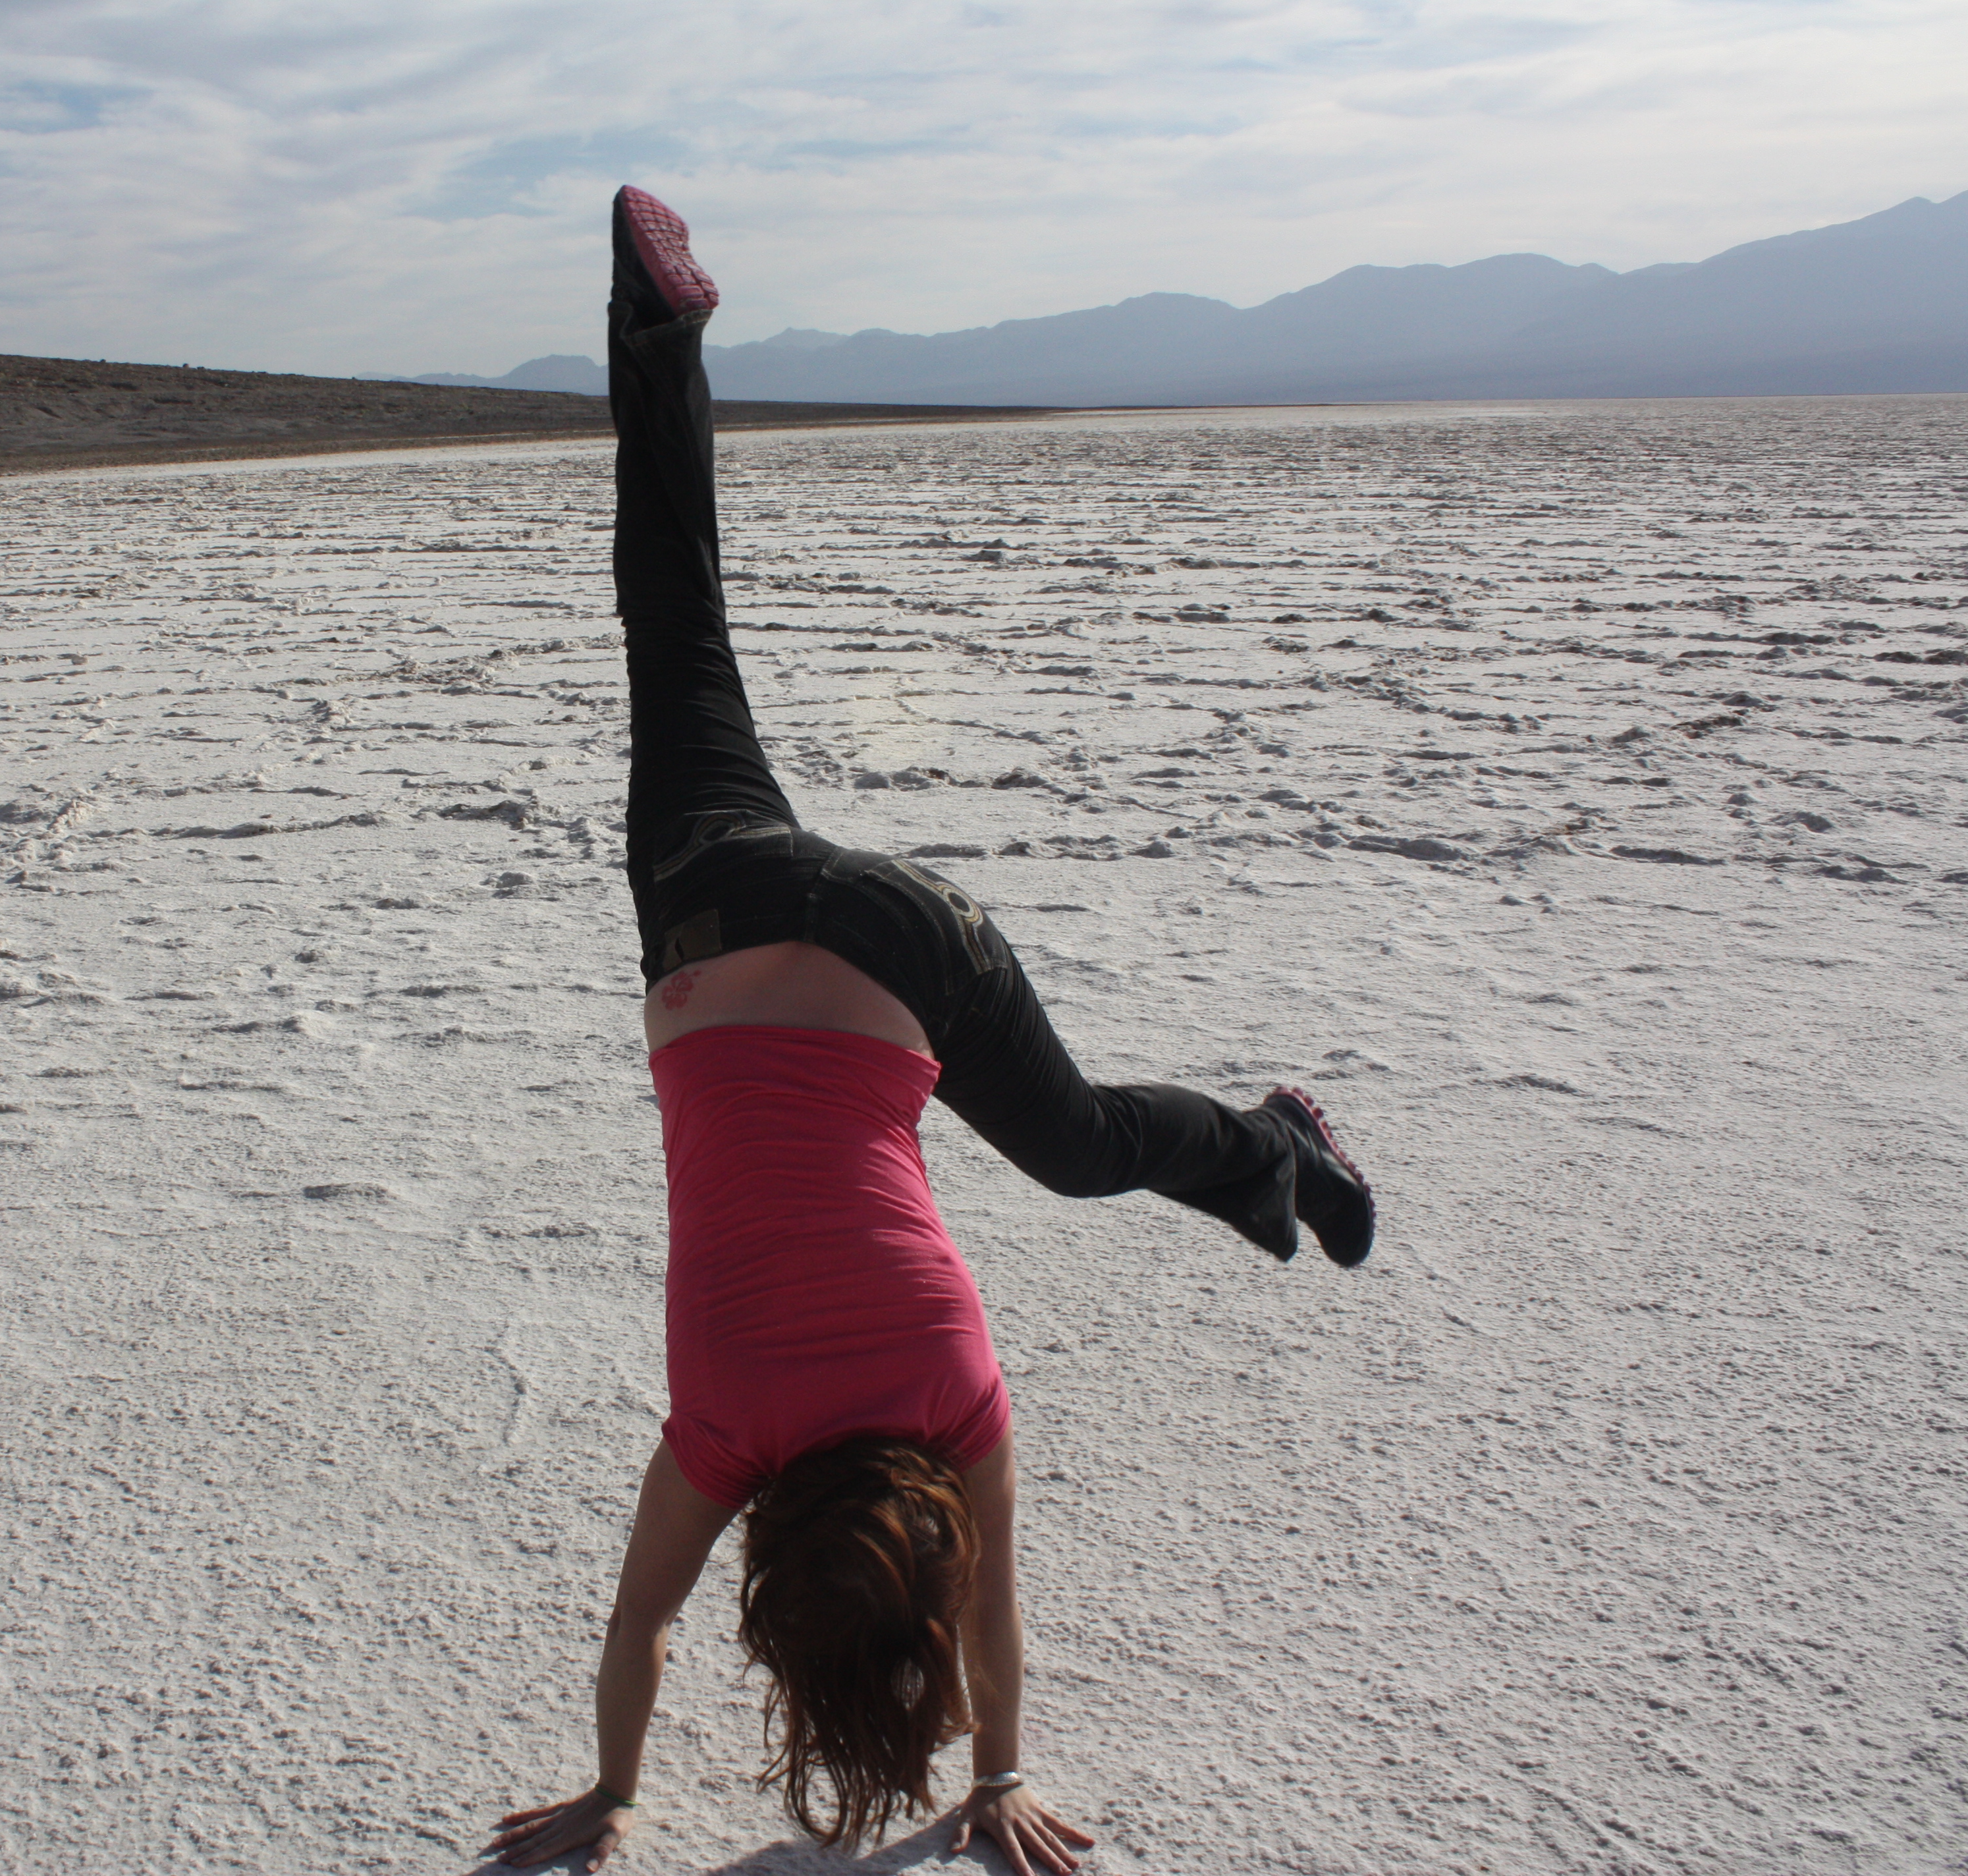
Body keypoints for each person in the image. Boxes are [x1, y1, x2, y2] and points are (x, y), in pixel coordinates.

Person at [482, 188, 1375, 1875]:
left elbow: (998, 1632)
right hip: (716, 899)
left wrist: (997, 1778)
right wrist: (609, 1791)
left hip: (904, 950)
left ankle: (1282, 1149)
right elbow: (636, 1627)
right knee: (673, 621)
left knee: (1094, 1143)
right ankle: (659, 332)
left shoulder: (957, 1403)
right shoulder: (720, 1425)